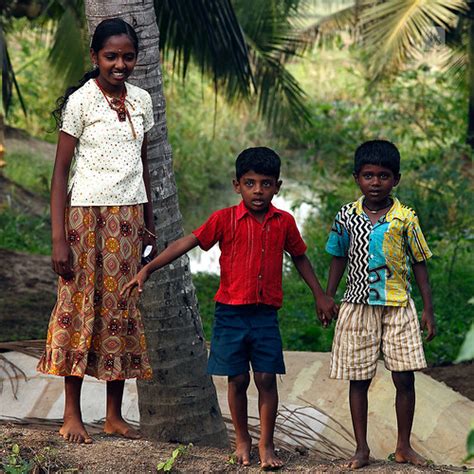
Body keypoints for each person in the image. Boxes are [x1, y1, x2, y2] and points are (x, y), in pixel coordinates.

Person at [122, 147, 337, 468]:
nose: (258, 191)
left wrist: (320, 294)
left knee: (266, 377)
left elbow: (300, 257)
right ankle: (242, 440)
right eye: (250, 183)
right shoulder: (224, 220)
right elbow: (187, 242)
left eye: (266, 184)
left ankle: (266, 445)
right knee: (237, 379)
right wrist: (148, 268)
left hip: (264, 315)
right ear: (237, 185)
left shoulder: (284, 222)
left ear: (278, 186)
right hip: (230, 314)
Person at [37, 18, 156, 444]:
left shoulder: (142, 100)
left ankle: (113, 415)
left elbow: (141, 164)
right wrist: (58, 238)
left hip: (128, 222)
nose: (119, 64)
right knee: (80, 306)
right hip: (85, 220)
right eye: (111, 56)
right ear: (95, 57)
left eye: (127, 56)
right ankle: (72, 414)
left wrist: (149, 222)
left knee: (120, 310)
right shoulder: (82, 102)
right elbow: (59, 173)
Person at [325, 140, 436, 469]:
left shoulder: (406, 218)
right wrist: (327, 296)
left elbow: (419, 264)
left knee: (404, 377)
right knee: (358, 378)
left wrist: (428, 309)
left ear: (396, 179)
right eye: (368, 176)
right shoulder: (346, 216)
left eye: (384, 176)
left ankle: (403, 446)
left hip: (398, 305)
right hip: (357, 306)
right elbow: (338, 257)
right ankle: (361, 449)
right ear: (356, 177)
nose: (376, 182)